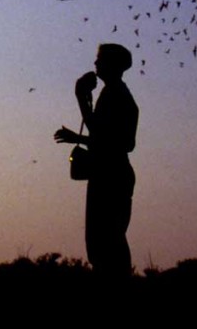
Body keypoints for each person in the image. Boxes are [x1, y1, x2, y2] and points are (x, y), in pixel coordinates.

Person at [54, 43, 138, 281]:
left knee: (105, 244)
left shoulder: (115, 95)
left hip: (110, 175)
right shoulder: (115, 93)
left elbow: (113, 140)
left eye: (100, 59)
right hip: (113, 173)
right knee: (108, 243)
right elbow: (111, 138)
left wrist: (80, 98)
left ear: (112, 64)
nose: (96, 64)